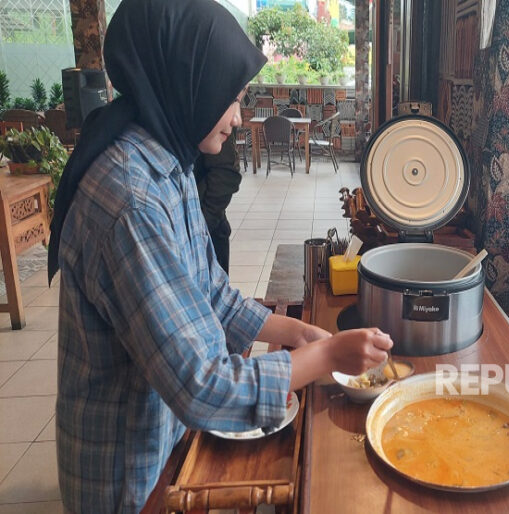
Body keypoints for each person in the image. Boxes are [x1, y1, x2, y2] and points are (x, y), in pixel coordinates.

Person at [46, 0, 392, 512]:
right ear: (186, 81)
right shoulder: (129, 200)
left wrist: (300, 334)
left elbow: (209, 292)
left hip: (165, 433)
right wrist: (326, 357)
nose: (236, 117)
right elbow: (201, 387)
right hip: (128, 474)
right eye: (229, 98)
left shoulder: (170, 161)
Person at [193, 131, 241, 273]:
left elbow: (226, 174)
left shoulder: (214, 122)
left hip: (207, 228)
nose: (236, 120)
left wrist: (204, 224)